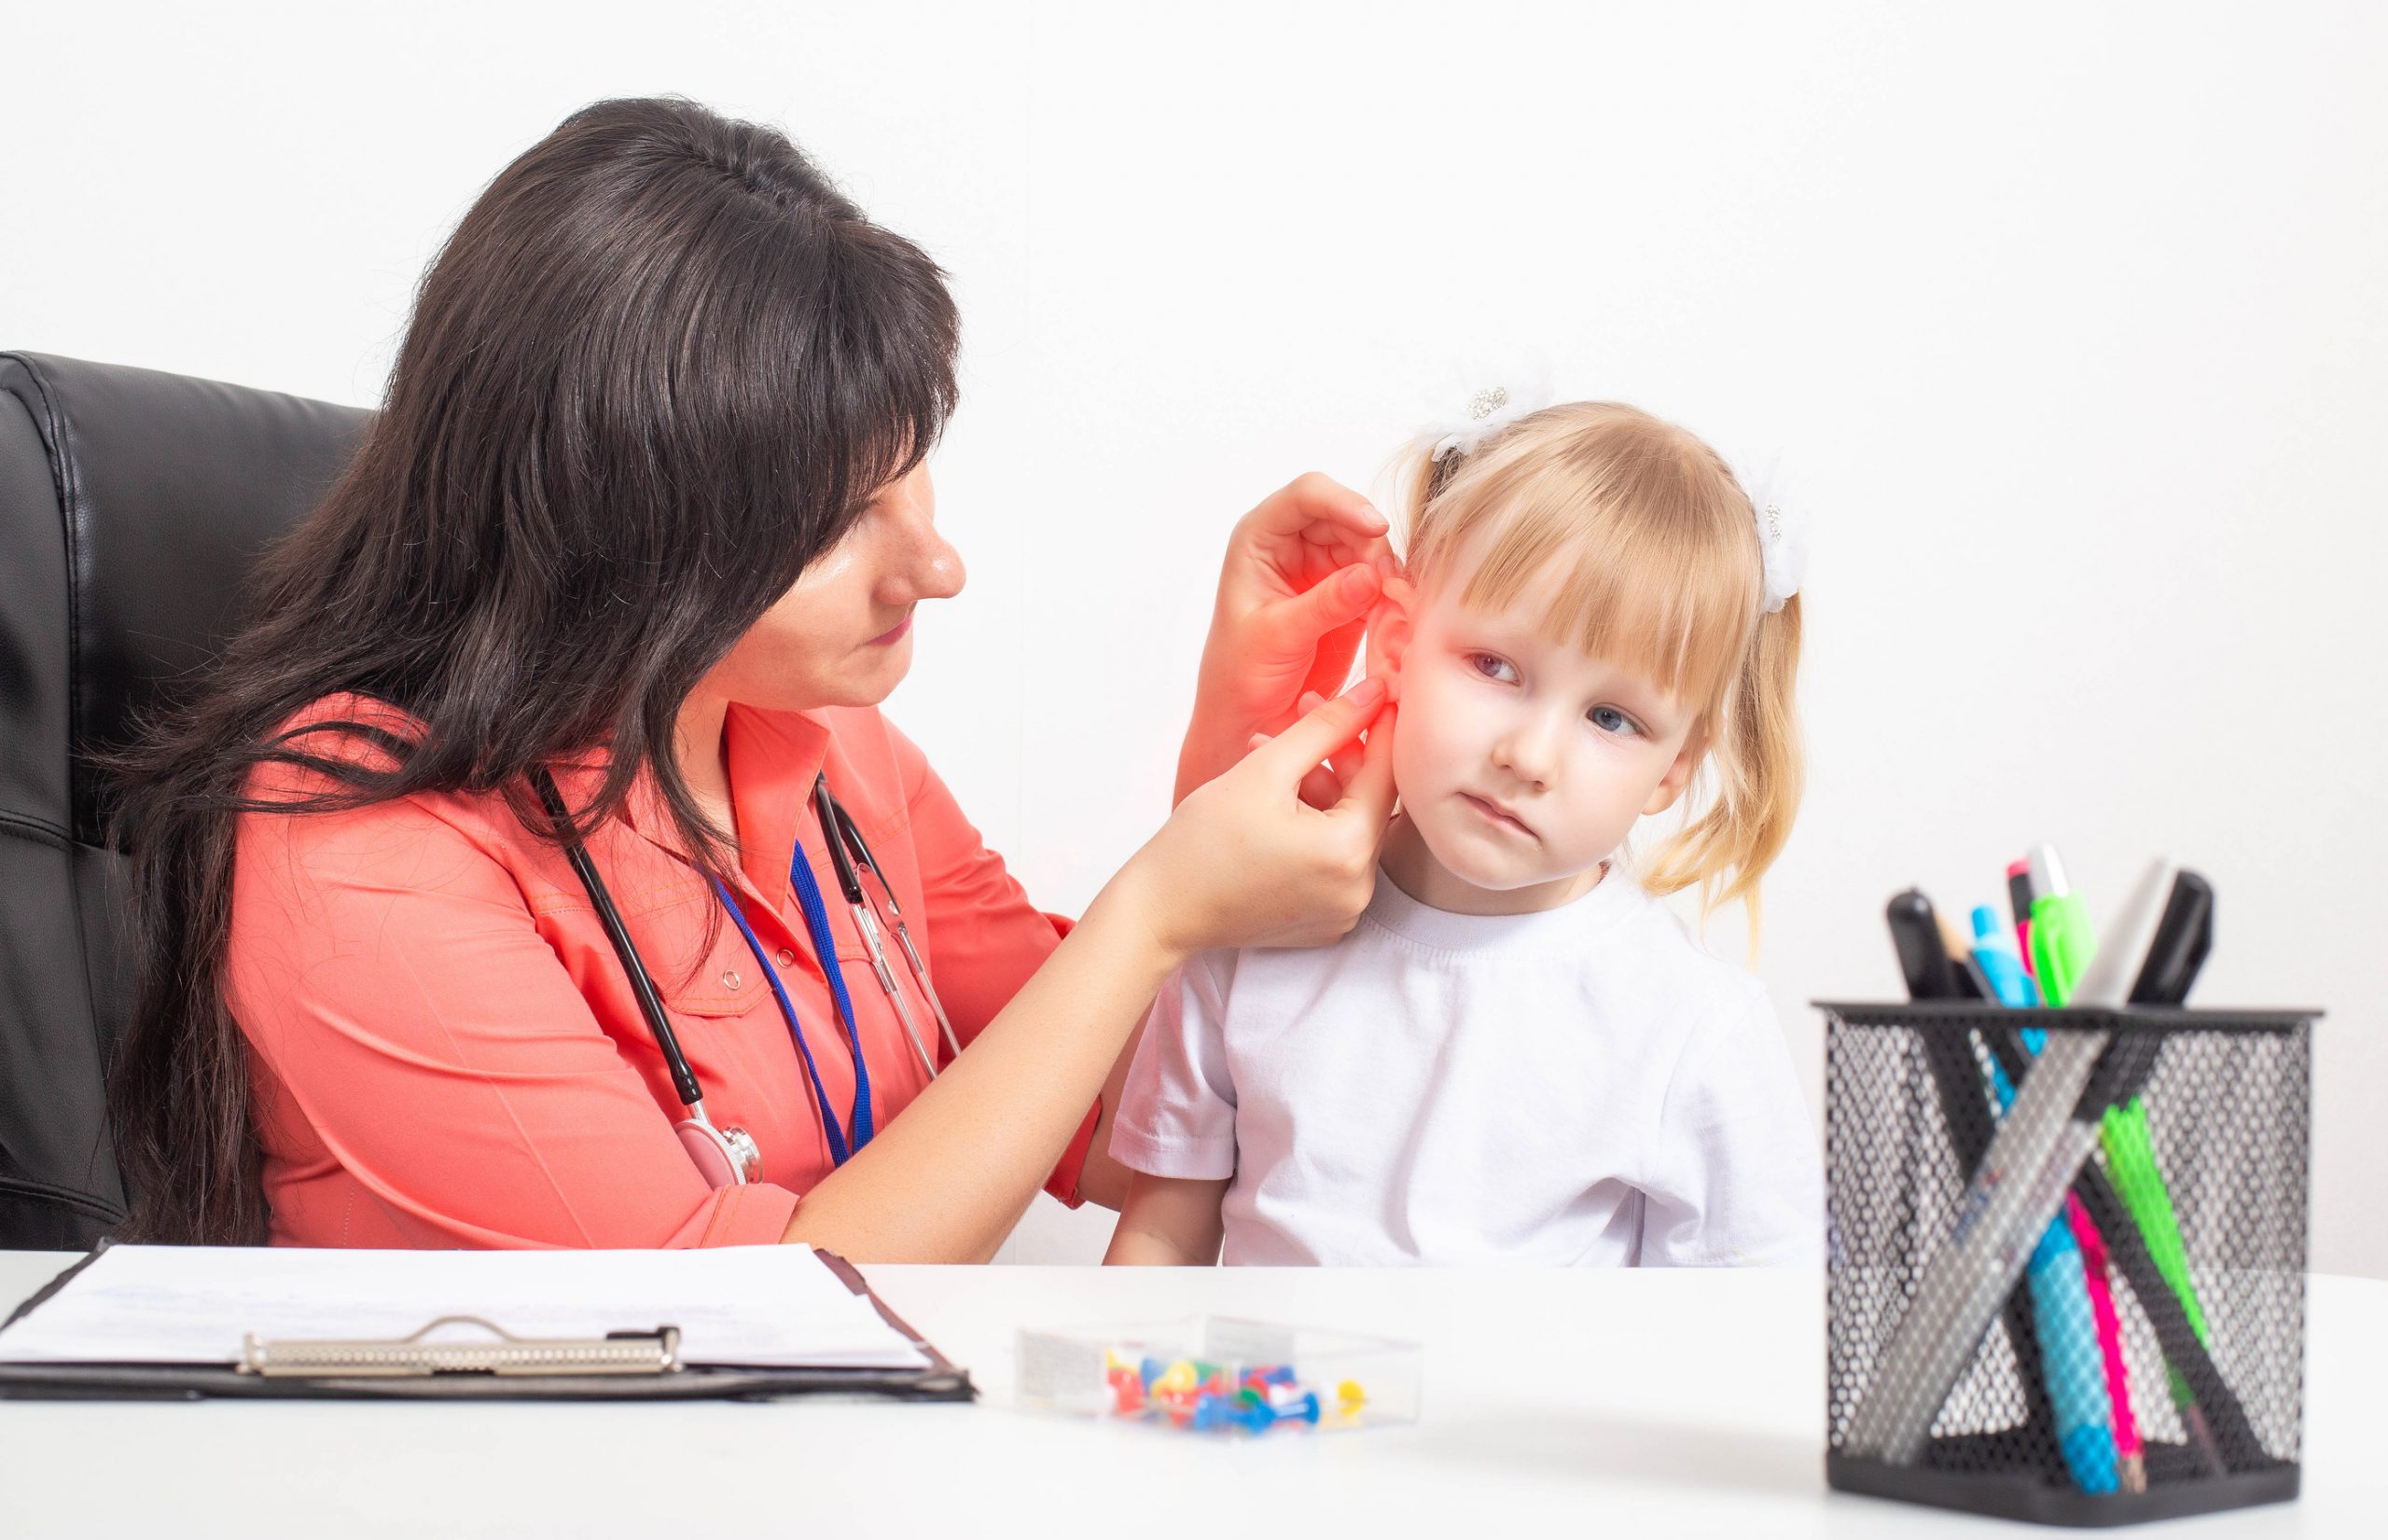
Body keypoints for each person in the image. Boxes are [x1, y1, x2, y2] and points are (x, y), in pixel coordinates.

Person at [104, 96, 1399, 1259]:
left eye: (914, 473)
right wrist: (1154, 910)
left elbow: (1128, 1131)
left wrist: (1232, 753)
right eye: (840, 521)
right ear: (616, 522)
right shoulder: (357, 836)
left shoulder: (828, 747)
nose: (937, 566)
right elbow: (728, 1318)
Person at [1104, 398, 1822, 1267]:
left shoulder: (1691, 1027)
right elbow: (1157, 1239)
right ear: (1398, 645)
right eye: (1496, 667)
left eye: (1611, 716)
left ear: (1673, 767)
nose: (1529, 754)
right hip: (1281, 1404)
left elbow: (1743, 1330)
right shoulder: (1248, 930)